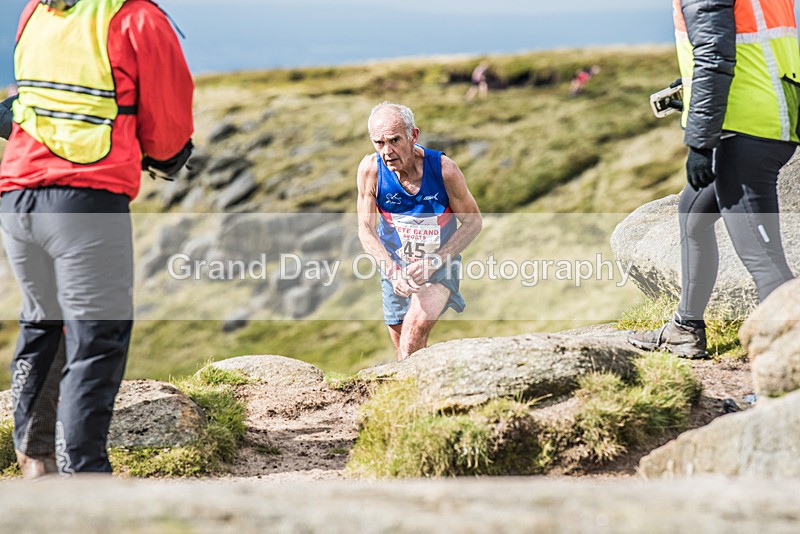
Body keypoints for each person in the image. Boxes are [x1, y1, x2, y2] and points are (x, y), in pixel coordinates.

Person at [0, 0, 194, 477]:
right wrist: (165, 159)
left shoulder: (37, 11)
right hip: (84, 204)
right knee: (96, 338)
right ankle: (84, 478)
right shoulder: (136, 18)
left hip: (17, 197)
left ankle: (34, 461)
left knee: (42, 324)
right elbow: (168, 132)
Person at [628, 0, 799, 358]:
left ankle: (789, 375)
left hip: (745, 130)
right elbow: (742, 49)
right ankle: (684, 328)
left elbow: (714, 57)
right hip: (765, 115)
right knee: (693, 215)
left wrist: (700, 143)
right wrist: (690, 91)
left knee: (762, 259)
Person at [357, 102, 482, 360]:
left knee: (412, 335)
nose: (387, 151)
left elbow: (473, 222)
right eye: (379, 143)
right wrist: (392, 272)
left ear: (414, 135)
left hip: (439, 265)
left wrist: (433, 261)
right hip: (394, 267)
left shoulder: (444, 170)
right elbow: (365, 229)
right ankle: (417, 396)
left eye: (394, 140)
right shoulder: (371, 171)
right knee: (404, 346)